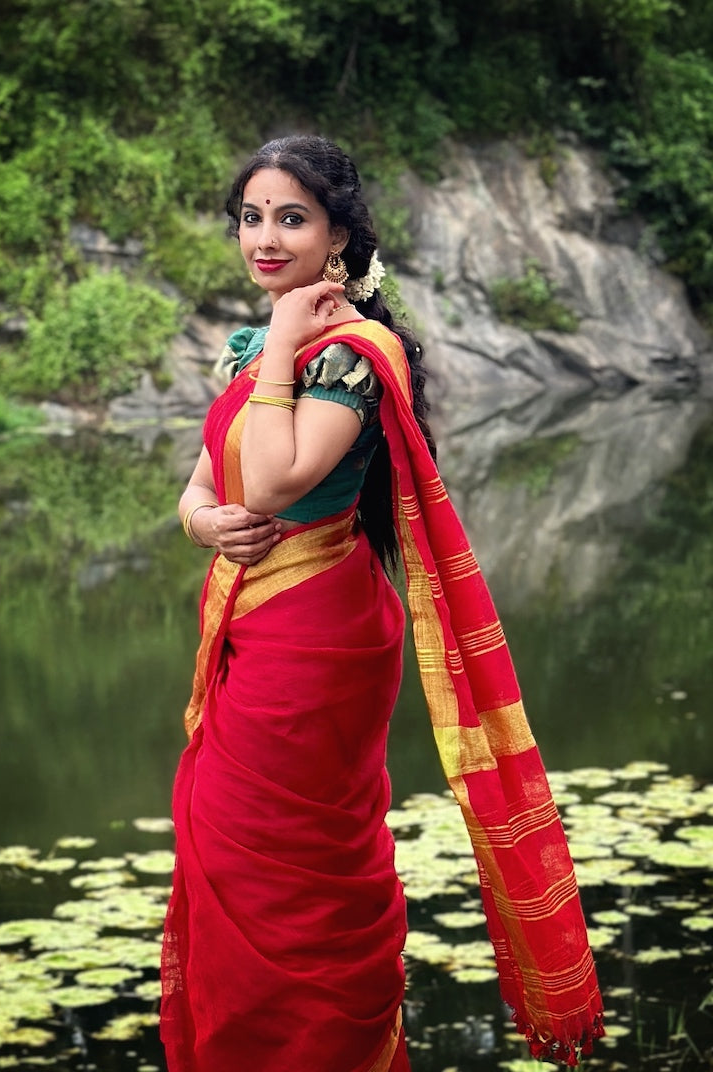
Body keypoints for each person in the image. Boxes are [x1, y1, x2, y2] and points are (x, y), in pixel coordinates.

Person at [160, 135, 604, 1072]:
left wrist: (281, 342)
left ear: (339, 236)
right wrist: (204, 527)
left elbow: (277, 481)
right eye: (252, 217)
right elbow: (201, 490)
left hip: (319, 634)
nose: (266, 238)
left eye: (292, 218)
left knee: (298, 866)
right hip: (249, 624)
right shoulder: (261, 352)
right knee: (225, 847)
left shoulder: (356, 356)